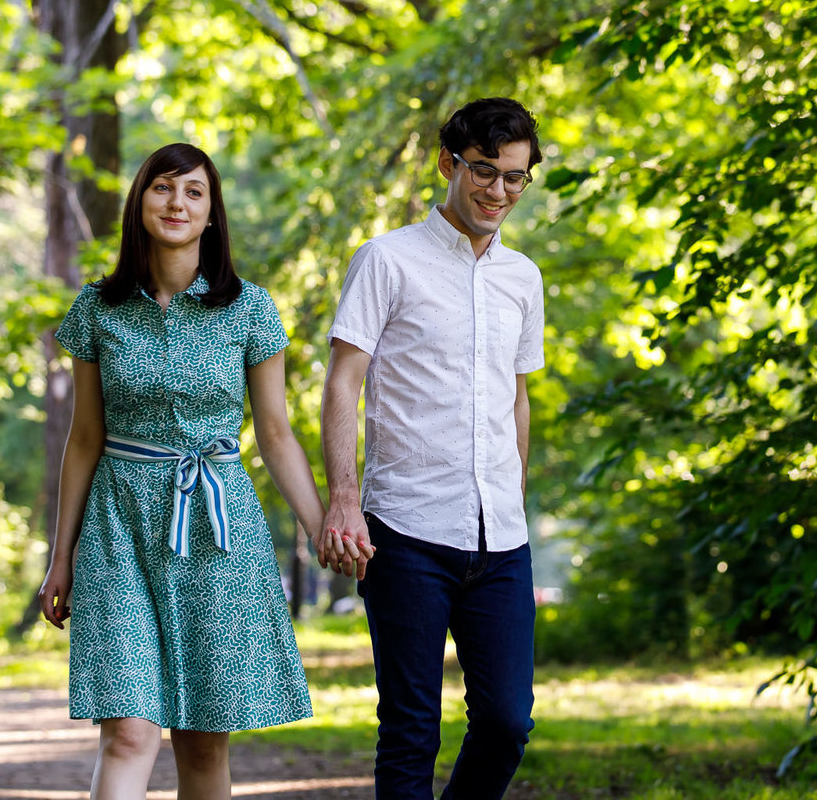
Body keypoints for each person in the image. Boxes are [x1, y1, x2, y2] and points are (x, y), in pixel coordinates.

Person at [38, 143, 333, 800]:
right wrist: (61, 557)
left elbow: (277, 432)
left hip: (215, 531)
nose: (177, 203)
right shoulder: (98, 308)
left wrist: (320, 528)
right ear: (139, 203)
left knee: (202, 741)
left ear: (211, 214)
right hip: (116, 530)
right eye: (163, 188)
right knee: (130, 733)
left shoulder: (250, 308)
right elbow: (84, 438)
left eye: (193, 192)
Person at [319, 97, 546, 800]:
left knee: (507, 723)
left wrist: (515, 494)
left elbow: (517, 396)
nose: (499, 191)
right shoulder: (386, 261)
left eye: (515, 178)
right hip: (407, 532)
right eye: (484, 171)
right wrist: (344, 501)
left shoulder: (524, 279)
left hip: (501, 539)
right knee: (411, 729)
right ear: (449, 164)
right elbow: (341, 383)